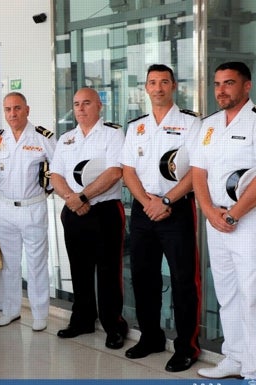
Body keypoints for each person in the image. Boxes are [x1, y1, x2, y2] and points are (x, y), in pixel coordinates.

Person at [120, 64, 202, 372]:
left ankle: (187, 347)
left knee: (183, 280)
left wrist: (166, 200)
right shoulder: (136, 127)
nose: (158, 88)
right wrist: (147, 202)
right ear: (146, 88)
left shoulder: (191, 123)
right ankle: (150, 337)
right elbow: (128, 171)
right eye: (152, 83)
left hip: (176, 208)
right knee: (143, 276)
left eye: (164, 82)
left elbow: (197, 171)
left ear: (174, 86)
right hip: (144, 210)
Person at [192, 61, 256, 380]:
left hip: (246, 220)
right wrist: (209, 210)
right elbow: (198, 172)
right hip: (214, 218)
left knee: (252, 292)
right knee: (227, 290)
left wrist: (233, 213)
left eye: (229, 83)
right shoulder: (210, 124)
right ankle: (233, 357)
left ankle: (255, 366)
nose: (221, 90)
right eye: (217, 84)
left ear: (247, 86)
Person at [50, 88, 128, 349]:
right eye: (76, 104)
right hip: (73, 211)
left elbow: (115, 172)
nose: (81, 109)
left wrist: (82, 197)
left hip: (104, 211)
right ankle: (82, 319)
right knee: (78, 269)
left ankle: (113, 325)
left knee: (108, 271)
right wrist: (72, 198)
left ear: (99, 106)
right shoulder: (66, 139)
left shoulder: (113, 134)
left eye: (86, 103)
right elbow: (56, 175)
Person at [0, 92, 55, 332]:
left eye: (17, 108)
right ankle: (11, 309)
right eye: (8, 109)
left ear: (27, 109)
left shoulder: (42, 137)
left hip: (33, 207)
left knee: (37, 263)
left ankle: (39, 313)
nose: (12, 114)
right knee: (9, 263)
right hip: (5, 208)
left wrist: (47, 191)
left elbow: (57, 171)